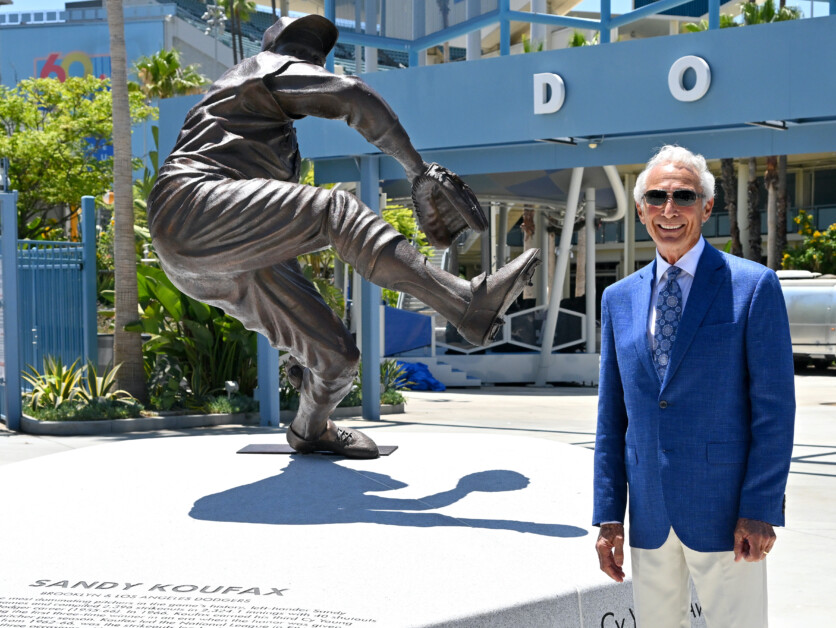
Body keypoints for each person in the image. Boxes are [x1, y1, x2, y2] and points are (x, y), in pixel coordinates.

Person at [147, 15, 539, 460]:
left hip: (220, 252)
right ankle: (464, 303)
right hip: (191, 205)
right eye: (303, 50)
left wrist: (295, 337)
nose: (313, 60)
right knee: (335, 209)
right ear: (279, 52)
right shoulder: (256, 70)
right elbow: (349, 96)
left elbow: (271, 232)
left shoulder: (277, 143)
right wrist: (418, 172)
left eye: (318, 54)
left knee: (335, 359)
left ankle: (310, 429)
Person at [592, 145, 795, 627]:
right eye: (657, 197)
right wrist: (608, 515)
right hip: (649, 515)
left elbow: (774, 410)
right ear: (640, 210)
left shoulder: (754, 287)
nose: (669, 209)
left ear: (707, 207)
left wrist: (760, 507)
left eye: (684, 196)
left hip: (728, 518)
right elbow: (611, 417)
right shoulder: (617, 299)